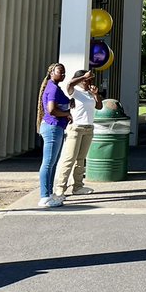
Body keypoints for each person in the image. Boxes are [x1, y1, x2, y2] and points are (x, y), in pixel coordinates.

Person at [35, 63, 83, 208]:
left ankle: (50, 195)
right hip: (52, 128)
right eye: (59, 72)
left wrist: (69, 106)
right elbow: (51, 110)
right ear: (51, 73)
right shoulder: (53, 88)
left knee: (53, 163)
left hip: (55, 127)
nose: (62, 75)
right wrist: (67, 114)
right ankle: (44, 197)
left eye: (64, 73)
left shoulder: (54, 87)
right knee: (48, 163)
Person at [52, 69, 99, 201]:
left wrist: (96, 95)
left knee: (81, 159)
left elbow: (99, 106)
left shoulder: (89, 93)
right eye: (86, 80)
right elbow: (69, 85)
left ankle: (78, 186)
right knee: (69, 158)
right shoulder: (75, 92)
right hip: (76, 128)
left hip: (88, 128)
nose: (88, 82)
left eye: (89, 80)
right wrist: (83, 76)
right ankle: (60, 188)